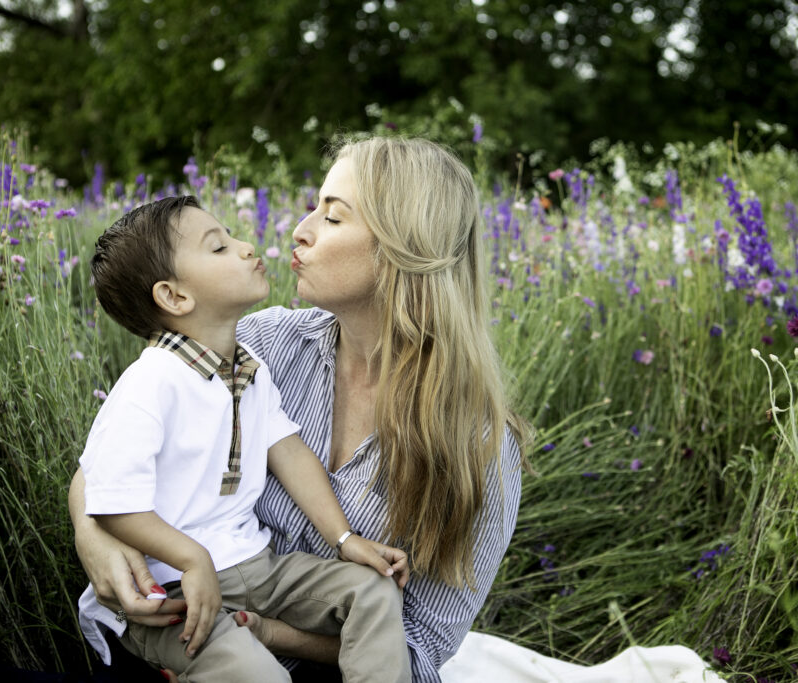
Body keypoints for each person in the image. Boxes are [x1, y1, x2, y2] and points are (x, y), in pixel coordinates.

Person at [69, 137, 532, 682]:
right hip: (177, 622)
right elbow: (103, 466)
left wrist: (263, 632)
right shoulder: (258, 345)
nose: (300, 230)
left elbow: (419, 648)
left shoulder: (477, 446)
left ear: (399, 251)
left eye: (332, 217)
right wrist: (92, 537)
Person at [75, 195, 411, 682]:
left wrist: (344, 539)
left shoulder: (248, 366)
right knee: (259, 675)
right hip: (173, 593)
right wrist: (193, 559)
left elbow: (289, 453)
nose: (247, 246)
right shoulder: (150, 384)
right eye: (219, 248)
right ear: (174, 297)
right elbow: (110, 502)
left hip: (255, 566)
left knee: (374, 590)